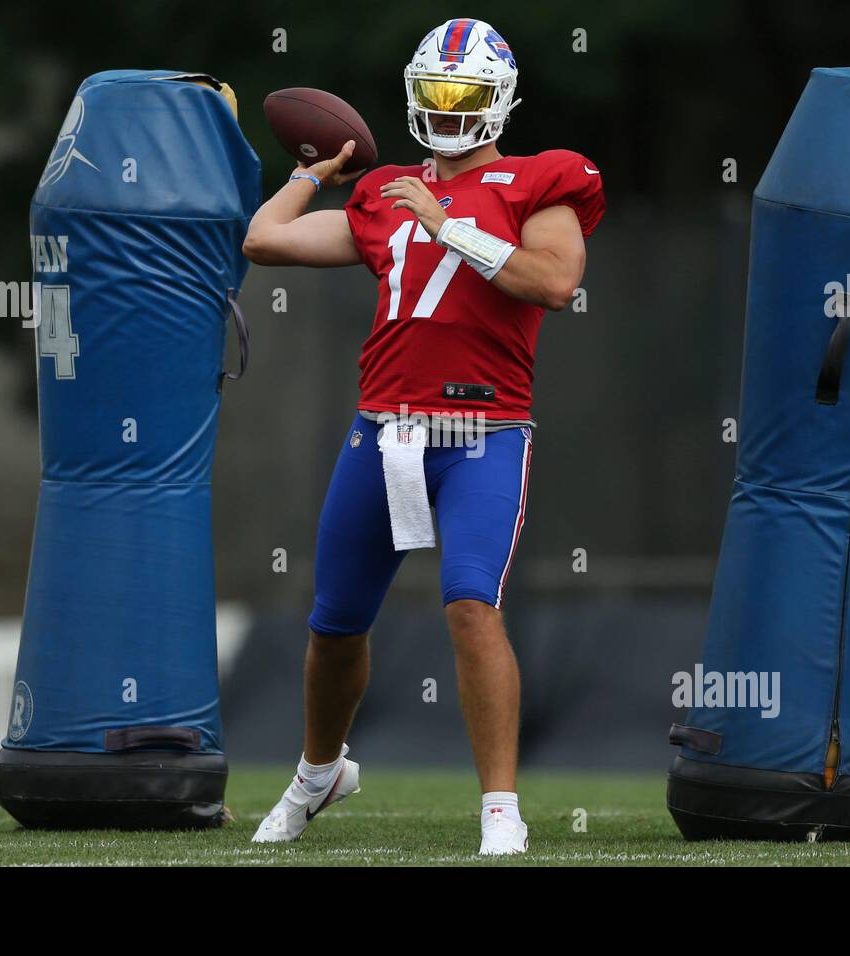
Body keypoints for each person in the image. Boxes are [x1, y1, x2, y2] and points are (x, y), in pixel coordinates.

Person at [242, 17, 604, 855]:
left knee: (473, 605)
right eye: (435, 95)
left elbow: (553, 280)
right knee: (334, 626)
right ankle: (318, 772)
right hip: (383, 431)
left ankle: (501, 809)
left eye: (464, 96)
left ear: (498, 103)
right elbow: (264, 239)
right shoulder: (385, 193)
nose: (446, 110)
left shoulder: (540, 181)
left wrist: (447, 225)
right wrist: (315, 172)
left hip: (483, 431)